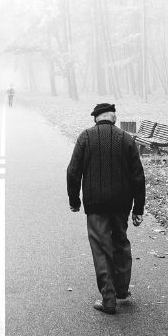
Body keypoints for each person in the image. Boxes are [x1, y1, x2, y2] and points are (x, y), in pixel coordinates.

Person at [66, 103, 146, 315]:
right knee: (120, 243)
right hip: (121, 204)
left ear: (95, 118)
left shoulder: (86, 137)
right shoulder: (126, 139)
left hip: (96, 204)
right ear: (114, 118)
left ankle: (108, 300)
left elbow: (73, 172)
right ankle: (122, 291)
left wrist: (74, 200)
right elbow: (138, 176)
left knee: (102, 248)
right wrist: (138, 208)